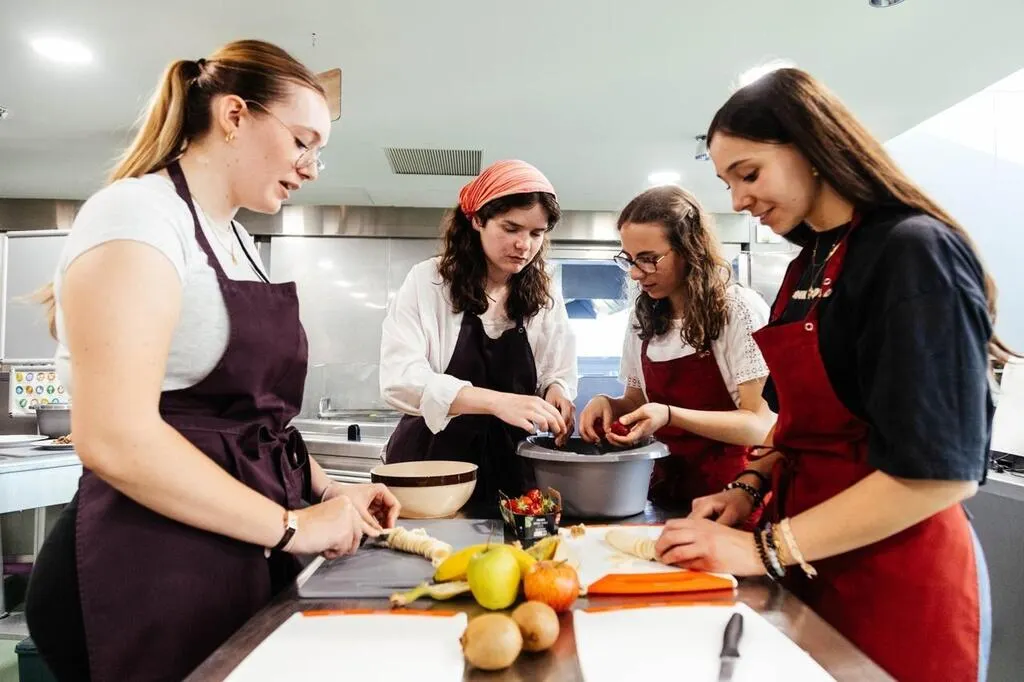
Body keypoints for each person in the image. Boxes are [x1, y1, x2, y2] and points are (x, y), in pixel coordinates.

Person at [24, 40, 400, 682]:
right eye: (302, 142)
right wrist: (292, 526)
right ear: (233, 115)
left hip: (230, 553)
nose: (311, 168)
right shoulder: (137, 214)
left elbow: (255, 425)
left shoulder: (239, 240)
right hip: (143, 566)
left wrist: (329, 490)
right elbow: (113, 438)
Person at [655, 67, 1003, 682]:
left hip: (896, 569)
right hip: (809, 554)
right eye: (728, 182)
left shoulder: (911, 249)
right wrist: (748, 488)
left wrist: (764, 547)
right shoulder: (807, 264)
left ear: (812, 147)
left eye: (749, 174)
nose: (737, 201)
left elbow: (938, 476)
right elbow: (800, 425)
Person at [380, 159, 577, 514]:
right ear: (477, 220)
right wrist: (497, 402)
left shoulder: (544, 292)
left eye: (536, 233)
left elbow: (556, 369)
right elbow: (400, 380)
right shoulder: (428, 281)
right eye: (511, 228)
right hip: (434, 468)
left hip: (514, 465)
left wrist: (557, 391)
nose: (524, 245)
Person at [578, 185, 774, 512]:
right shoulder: (643, 317)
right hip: (665, 493)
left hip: (732, 497)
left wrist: (670, 415)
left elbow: (759, 424)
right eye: (630, 260)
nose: (636, 273)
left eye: (649, 259)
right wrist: (608, 404)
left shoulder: (736, 309)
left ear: (689, 249)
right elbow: (637, 401)